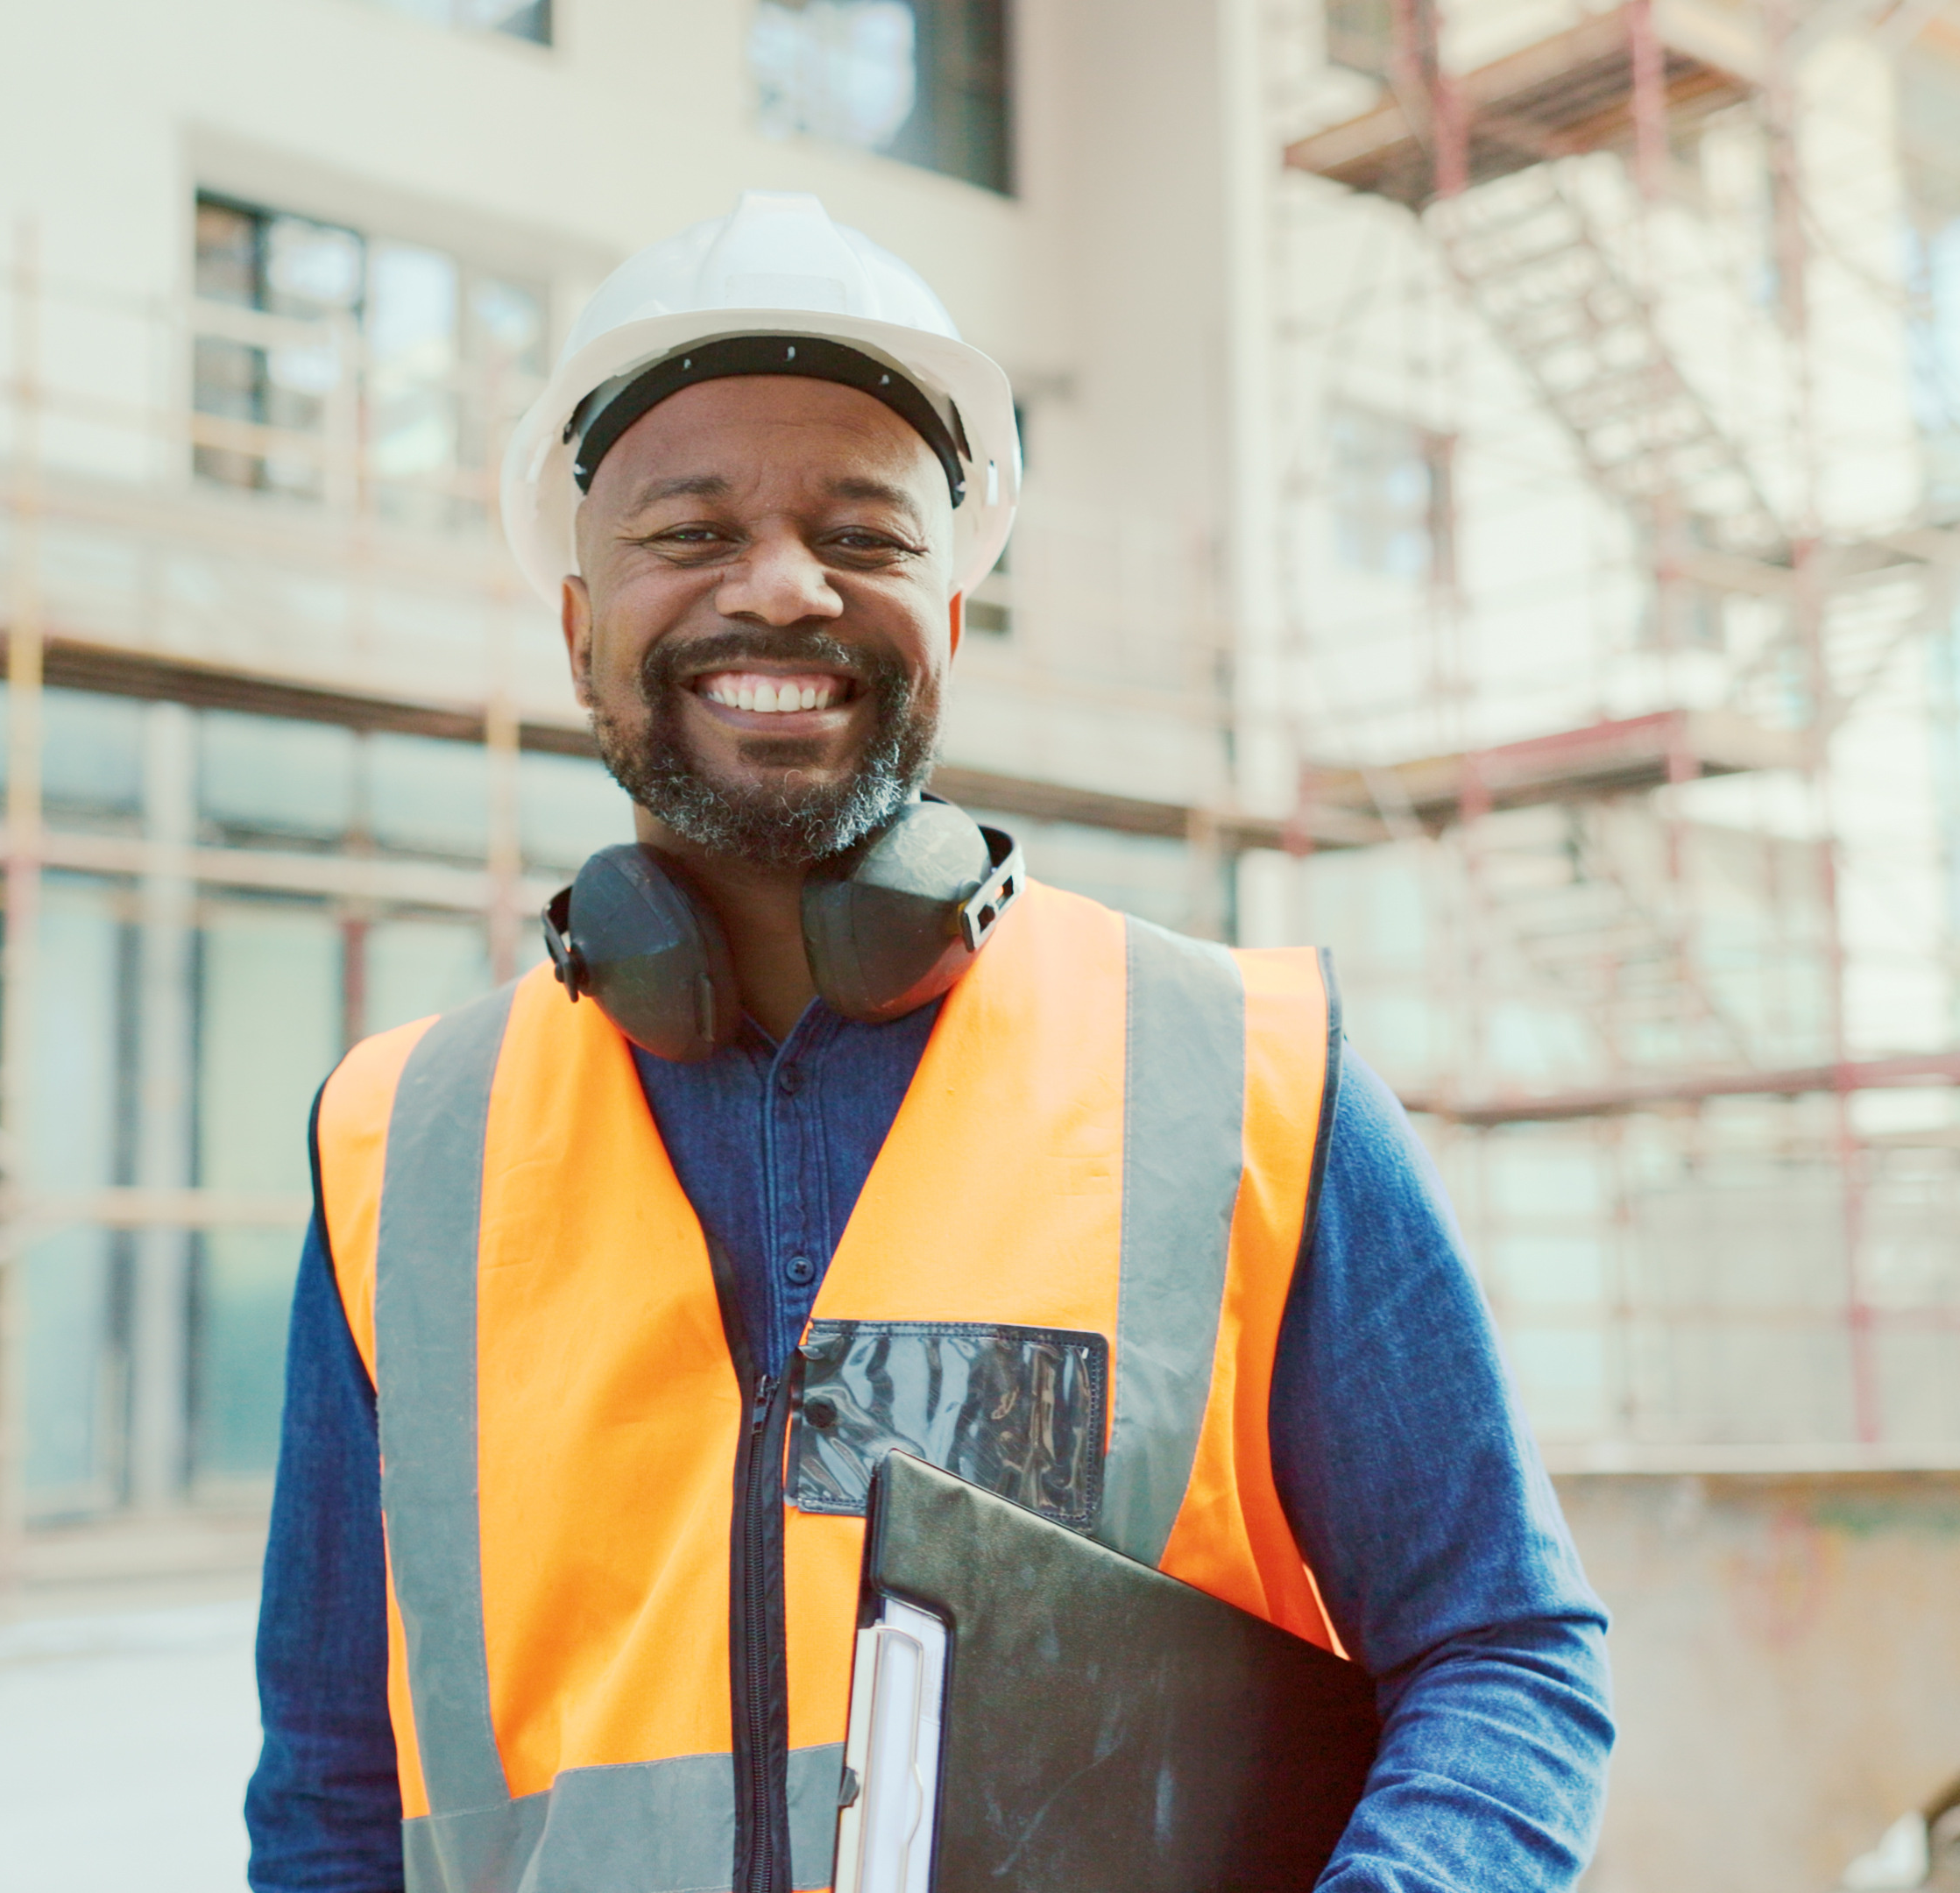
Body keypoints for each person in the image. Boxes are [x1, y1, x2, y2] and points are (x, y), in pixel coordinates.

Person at [244, 191, 1611, 1893]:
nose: (782, 584)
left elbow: (1501, 1653)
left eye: (866, 533)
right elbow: (331, 1788)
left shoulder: (1244, 1083)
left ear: (950, 621)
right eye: (690, 529)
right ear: (581, 628)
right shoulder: (402, 1144)